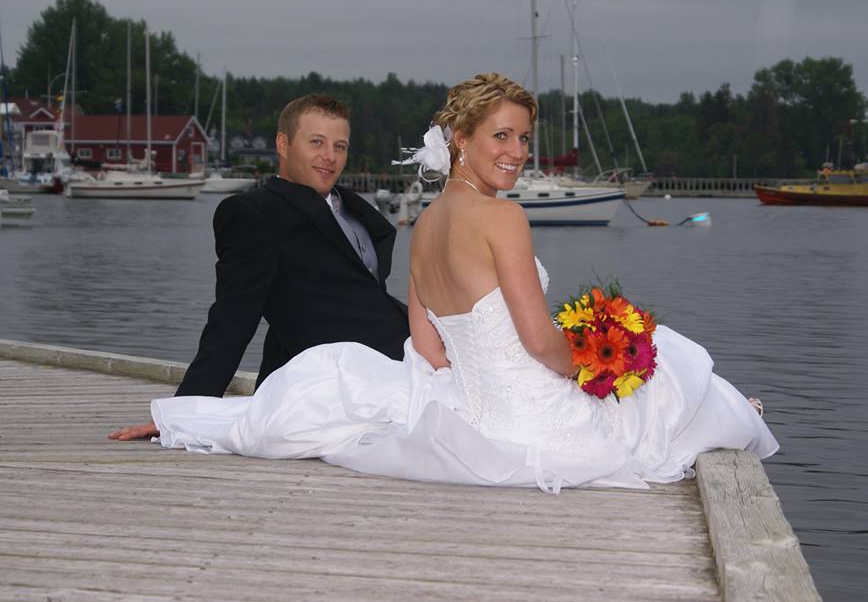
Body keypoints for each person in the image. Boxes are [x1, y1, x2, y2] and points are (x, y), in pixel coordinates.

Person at [139, 73, 778, 492]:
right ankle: (727, 412)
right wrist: (589, 368)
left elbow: (428, 347)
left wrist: (485, 383)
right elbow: (538, 342)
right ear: (461, 140)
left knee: (652, 367)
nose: (517, 151)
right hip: (530, 411)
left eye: (523, 137)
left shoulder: (425, 224)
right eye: (501, 135)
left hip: (475, 410)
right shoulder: (504, 218)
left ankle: (718, 408)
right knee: (663, 364)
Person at [109, 94, 409, 441]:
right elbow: (234, 316)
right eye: (316, 142)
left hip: (401, 360)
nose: (330, 156)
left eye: (339, 146)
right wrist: (183, 414)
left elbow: (313, 311)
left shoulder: (357, 210)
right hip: (342, 387)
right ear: (283, 144)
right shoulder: (254, 214)